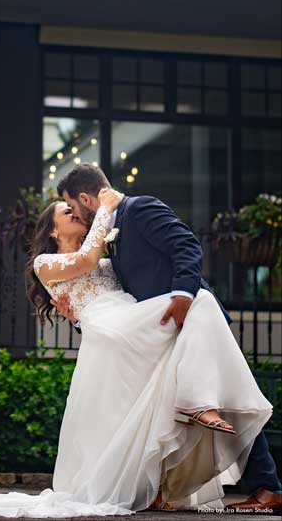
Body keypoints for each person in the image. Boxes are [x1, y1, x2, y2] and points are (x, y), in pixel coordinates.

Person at [0, 182, 274, 516]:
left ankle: (181, 447)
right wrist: (108, 205)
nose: (76, 214)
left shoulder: (106, 254)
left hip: (131, 321)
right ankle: (200, 419)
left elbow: (115, 278)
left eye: (75, 209)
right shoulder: (48, 261)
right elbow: (87, 262)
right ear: (53, 231)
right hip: (112, 329)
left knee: (151, 406)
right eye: (67, 213)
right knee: (197, 306)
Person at [53, 163, 282, 513]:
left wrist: (183, 297)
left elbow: (187, 247)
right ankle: (168, 489)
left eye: (73, 204)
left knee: (226, 400)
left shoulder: (140, 208)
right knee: (166, 414)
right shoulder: (108, 236)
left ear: (85, 198)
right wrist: (79, 318)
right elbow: (113, 300)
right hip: (158, 331)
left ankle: (268, 488)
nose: (77, 213)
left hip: (190, 317)